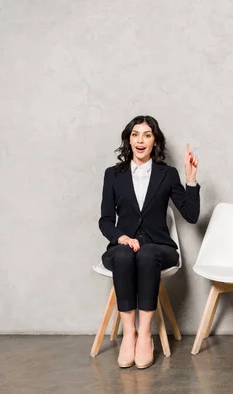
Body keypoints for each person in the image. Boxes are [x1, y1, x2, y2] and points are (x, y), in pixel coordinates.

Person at [99, 115, 200, 369]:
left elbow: (191, 215)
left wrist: (190, 180)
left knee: (145, 256)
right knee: (123, 256)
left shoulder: (167, 174)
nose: (140, 140)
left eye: (147, 134)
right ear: (129, 139)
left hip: (159, 247)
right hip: (123, 244)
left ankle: (144, 335)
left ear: (155, 141)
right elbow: (106, 220)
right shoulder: (113, 175)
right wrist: (121, 237)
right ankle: (128, 334)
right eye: (135, 134)